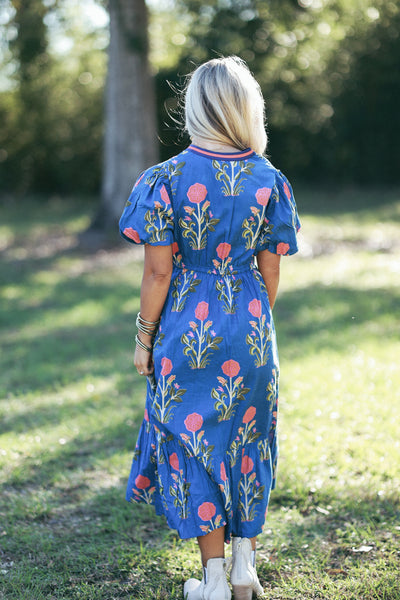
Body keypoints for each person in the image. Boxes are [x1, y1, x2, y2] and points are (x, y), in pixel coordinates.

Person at [119, 56, 300, 600]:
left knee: (194, 445)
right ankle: (246, 570)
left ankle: (215, 581)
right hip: (249, 330)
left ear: (197, 106)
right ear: (248, 108)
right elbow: (271, 270)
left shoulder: (165, 179)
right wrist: (249, 326)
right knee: (246, 442)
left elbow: (157, 271)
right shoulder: (270, 180)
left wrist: (143, 338)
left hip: (184, 333)